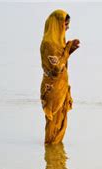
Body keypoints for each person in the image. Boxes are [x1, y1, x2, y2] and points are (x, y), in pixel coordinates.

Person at [40, 9, 80, 144]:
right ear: (56, 24)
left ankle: (55, 155)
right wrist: (68, 49)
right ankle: (51, 153)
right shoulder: (49, 44)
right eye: (65, 24)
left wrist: (69, 49)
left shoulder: (57, 42)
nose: (67, 27)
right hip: (53, 88)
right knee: (53, 124)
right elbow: (57, 69)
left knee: (60, 121)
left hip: (59, 86)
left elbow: (60, 61)